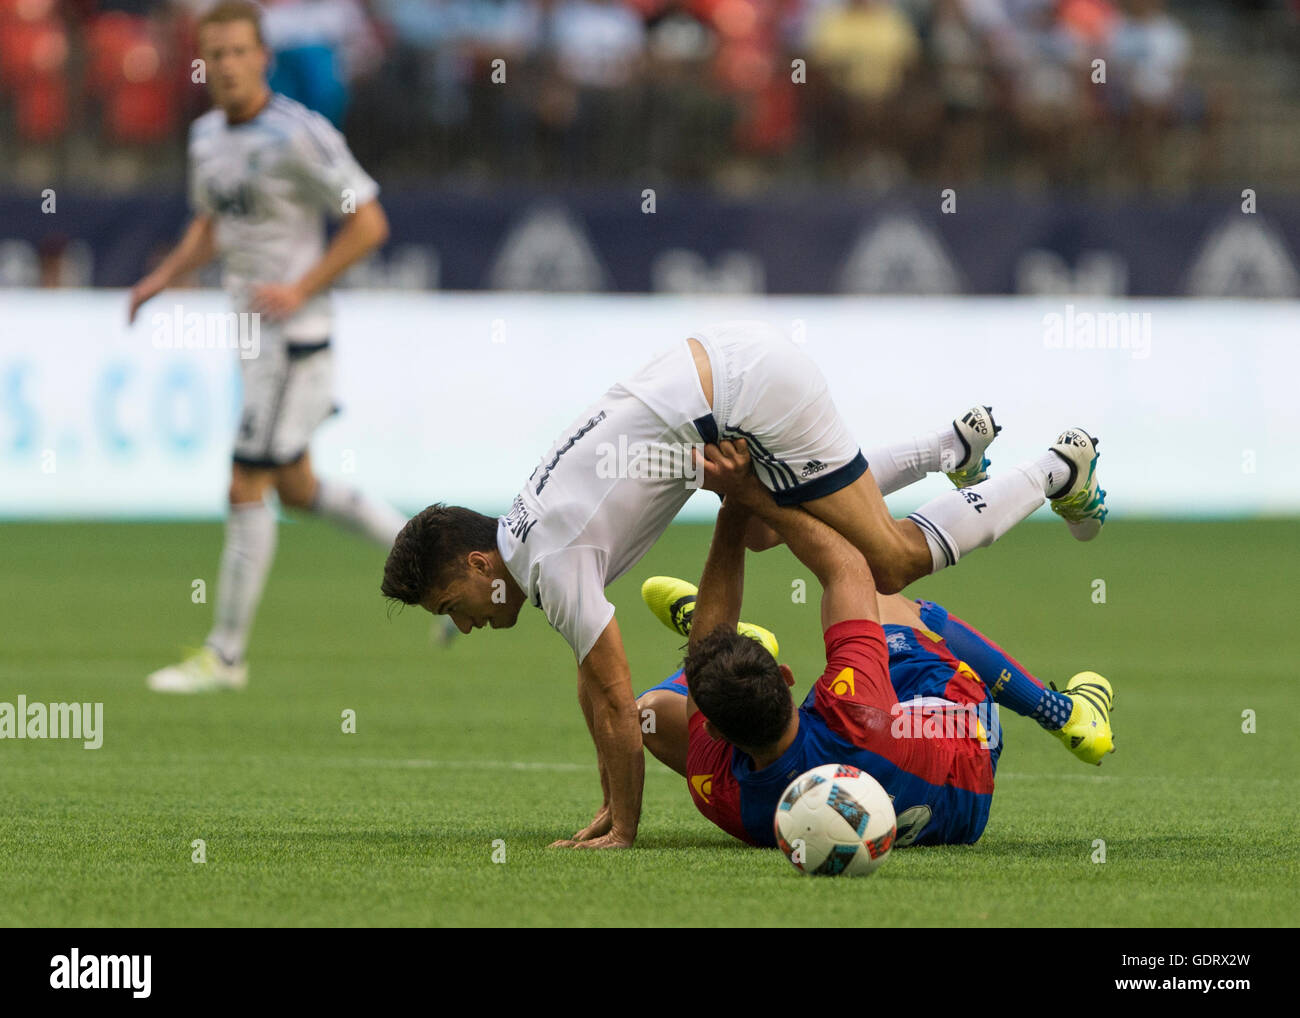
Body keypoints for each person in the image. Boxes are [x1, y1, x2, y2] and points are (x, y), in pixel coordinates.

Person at [382, 320, 1108, 848]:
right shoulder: (531, 538)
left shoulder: (550, 559)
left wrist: (624, 830)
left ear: (480, 566)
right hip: (712, 380)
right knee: (767, 526)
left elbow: (612, 695)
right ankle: (952, 446)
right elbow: (589, 679)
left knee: (887, 560)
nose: (466, 623)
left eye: (454, 606)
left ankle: (1056, 470)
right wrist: (607, 801)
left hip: (741, 392)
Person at [635, 438, 1114, 850]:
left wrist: (738, 513)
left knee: (650, 714)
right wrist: (751, 498)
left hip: (938, 815)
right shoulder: (853, 708)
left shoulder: (719, 793)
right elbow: (847, 565)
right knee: (886, 587)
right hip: (962, 752)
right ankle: (1065, 713)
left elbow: (704, 669)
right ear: (786, 678)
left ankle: (738, 652)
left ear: (716, 736)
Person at [129, 0, 406, 693]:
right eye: (212, 54)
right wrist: (162, 278)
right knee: (298, 486)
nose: (223, 65)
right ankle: (429, 558)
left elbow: (369, 222)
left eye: (236, 52)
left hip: (295, 338)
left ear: (262, 58)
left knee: (244, 479)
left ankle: (225, 655)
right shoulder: (204, 138)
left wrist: (300, 287)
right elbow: (212, 224)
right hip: (253, 338)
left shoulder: (299, 135)